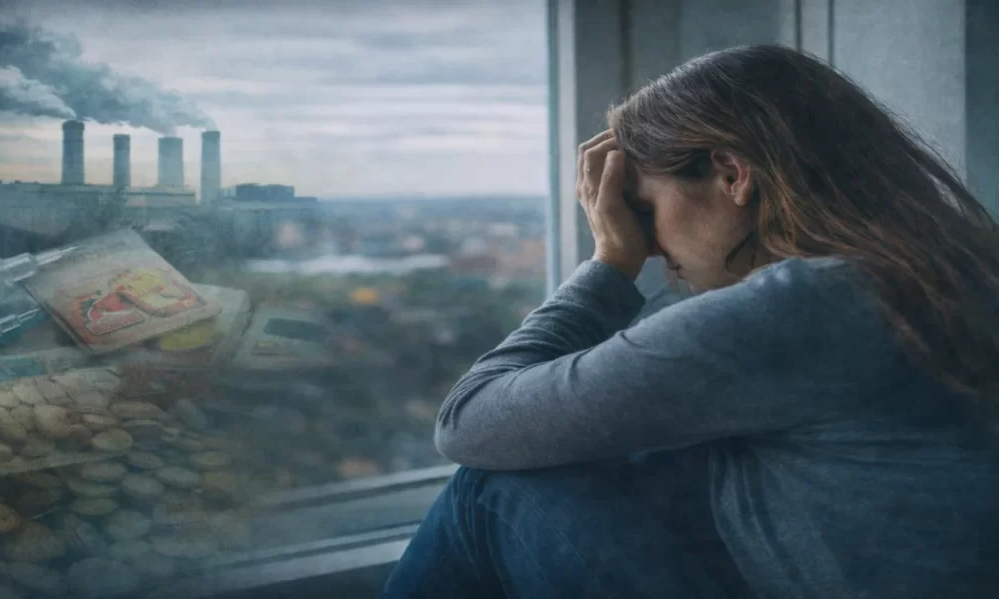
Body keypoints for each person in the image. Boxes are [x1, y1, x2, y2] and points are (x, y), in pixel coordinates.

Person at [380, 44, 999, 599]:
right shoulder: (948, 267)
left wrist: (609, 263)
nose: (648, 243)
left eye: (644, 208)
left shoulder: (806, 306)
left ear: (732, 175)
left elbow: (469, 420)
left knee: (493, 494)